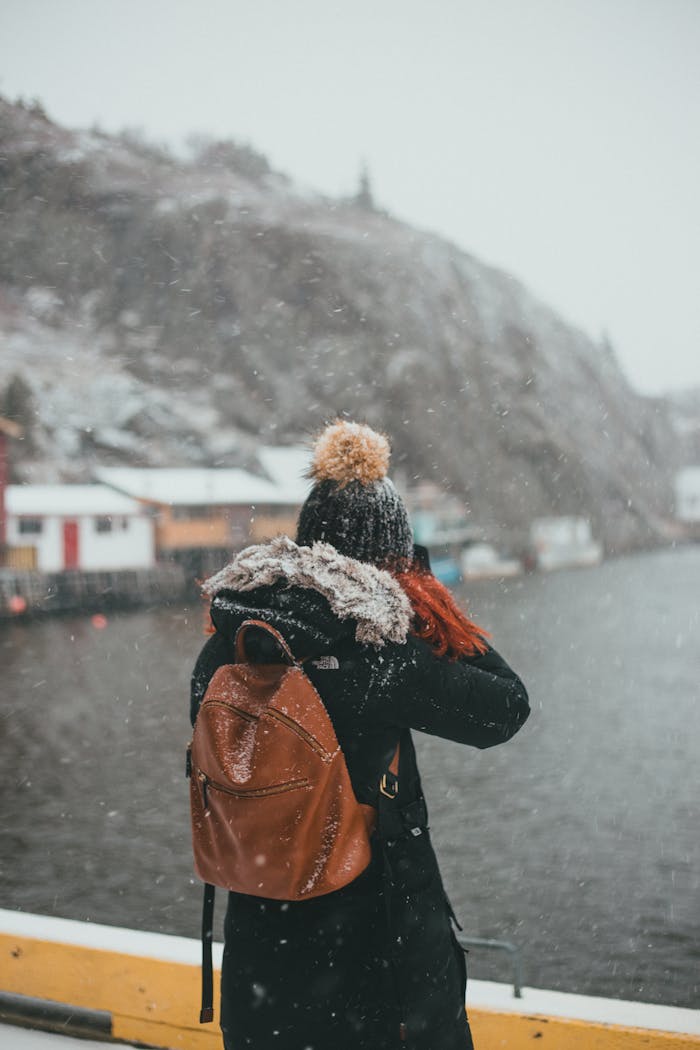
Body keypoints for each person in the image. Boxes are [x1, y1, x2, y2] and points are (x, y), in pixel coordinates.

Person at [190, 420, 530, 1050]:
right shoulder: (378, 655)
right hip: (376, 979)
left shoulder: (229, 641)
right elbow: (505, 707)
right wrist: (422, 594)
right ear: (391, 557)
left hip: (261, 966)